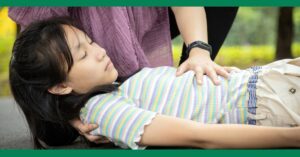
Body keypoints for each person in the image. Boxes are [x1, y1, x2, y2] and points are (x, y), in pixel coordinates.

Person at [9, 18, 300, 149]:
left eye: (91, 41)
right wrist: (291, 139)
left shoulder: (119, 86)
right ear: (59, 87)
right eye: (83, 54)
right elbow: (202, 136)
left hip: (269, 78)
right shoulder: (102, 114)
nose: (100, 51)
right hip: (266, 103)